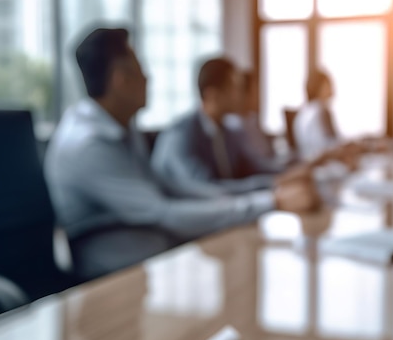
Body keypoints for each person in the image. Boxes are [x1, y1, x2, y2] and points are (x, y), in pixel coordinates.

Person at [44, 28, 319, 279]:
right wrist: (270, 201)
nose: (148, 78)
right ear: (120, 79)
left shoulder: (123, 129)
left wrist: (266, 195)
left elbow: (178, 189)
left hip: (149, 256)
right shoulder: (91, 144)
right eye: (141, 69)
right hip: (110, 278)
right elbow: (163, 212)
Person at [151, 57, 297, 198]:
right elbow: (207, 190)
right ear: (212, 95)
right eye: (235, 87)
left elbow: (255, 167)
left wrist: (293, 173)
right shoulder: (181, 135)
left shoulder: (228, 132)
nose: (242, 94)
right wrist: (270, 184)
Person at [293, 70, 342, 162]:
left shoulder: (302, 113)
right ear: (319, 87)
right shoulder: (321, 110)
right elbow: (328, 147)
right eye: (329, 84)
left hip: (306, 164)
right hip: (322, 165)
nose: (332, 88)